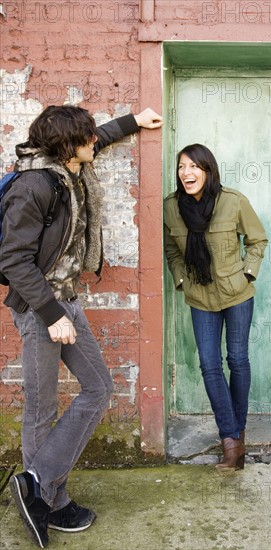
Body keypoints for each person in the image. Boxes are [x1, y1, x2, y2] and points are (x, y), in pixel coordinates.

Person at [0, 104, 163, 548]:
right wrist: (52, 317)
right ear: (67, 145)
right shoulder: (35, 185)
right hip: (41, 308)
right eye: (87, 137)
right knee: (41, 409)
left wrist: (133, 122)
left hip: (66, 299)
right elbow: (12, 259)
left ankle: (37, 485)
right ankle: (50, 499)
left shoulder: (67, 166)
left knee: (98, 387)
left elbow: (99, 138)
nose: (95, 141)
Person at [163, 144, 268, 471]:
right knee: (209, 365)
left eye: (194, 167)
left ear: (208, 171)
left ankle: (239, 431)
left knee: (237, 359)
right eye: (181, 167)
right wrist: (181, 281)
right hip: (200, 297)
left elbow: (257, 240)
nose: (186, 173)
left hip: (236, 295)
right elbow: (172, 250)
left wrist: (247, 273)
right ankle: (231, 440)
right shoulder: (171, 208)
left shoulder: (233, 202)